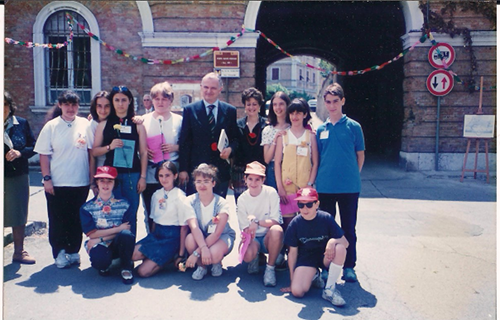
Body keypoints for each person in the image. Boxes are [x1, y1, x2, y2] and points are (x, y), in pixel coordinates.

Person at [34, 90, 90, 268]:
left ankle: (73, 251)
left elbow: (91, 151)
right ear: (60, 105)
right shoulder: (51, 126)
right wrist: (46, 178)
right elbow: (43, 154)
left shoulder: (85, 124)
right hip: (57, 182)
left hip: (80, 181)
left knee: (75, 219)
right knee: (58, 219)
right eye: (66, 104)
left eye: (74, 105)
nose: (70, 108)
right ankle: (59, 252)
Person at [316, 83, 365, 283]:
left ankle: (349, 266)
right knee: (326, 229)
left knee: (348, 228)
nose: (332, 105)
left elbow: (359, 156)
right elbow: (318, 157)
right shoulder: (321, 129)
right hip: (325, 186)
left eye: (336, 101)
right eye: (328, 102)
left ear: (342, 101)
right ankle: (326, 267)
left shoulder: (354, 127)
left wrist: (352, 174)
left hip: (348, 187)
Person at [132, 161, 206, 278]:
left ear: (175, 176)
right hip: (158, 235)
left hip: (172, 238)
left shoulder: (180, 197)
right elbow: (154, 221)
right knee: (132, 255)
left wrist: (181, 254)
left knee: (142, 272)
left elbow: (183, 228)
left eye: (167, 175)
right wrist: (151, 238)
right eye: (161, 175)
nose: (164, 179)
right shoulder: (156, 194)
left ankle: (171, 257)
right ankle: (155, 256)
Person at [92, 85, 148, 238]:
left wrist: (143, 177)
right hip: (111, 177)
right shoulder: (104, 124)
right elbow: (95, 150)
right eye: (116, 100)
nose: (120, 104)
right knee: (112, 214)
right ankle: (112, 254)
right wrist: (109, 147)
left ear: (130, 101)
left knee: (130, 215)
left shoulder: (137, 124)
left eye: (124, 100)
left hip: (133, 175)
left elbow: (143, 152)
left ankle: (127, 254)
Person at [281, 187, 349, 307]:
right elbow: (292, 253)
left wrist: (332, 241)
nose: (305, 209)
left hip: (326, 256)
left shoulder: (326, 218)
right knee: (297, 292)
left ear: (317, 204)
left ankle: (329, 289)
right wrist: (292, 281)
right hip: (306, 260)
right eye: (301, 205)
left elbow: (345, 242)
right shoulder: (295, 223)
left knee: (340, 248)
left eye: (309, 204)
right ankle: (314, 275)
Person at [178, 72, 238, 198]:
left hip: (220, 171)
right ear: (201, 87)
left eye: (213, 88)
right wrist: (183, 169)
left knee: (217, 210)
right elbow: (184, 142)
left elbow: (235, 139)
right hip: (197, 171)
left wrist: (231, 149)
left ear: (220, 89)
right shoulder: (190, 110)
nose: (209, 91)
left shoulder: (230, 111)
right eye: (206, 87)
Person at [80, 166, 135, 284]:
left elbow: (127, 229)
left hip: (116, 242)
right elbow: (91, 234)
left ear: (114, 183)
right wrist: (118, 229)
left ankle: (125, 266)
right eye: (102, 181)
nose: (105, 184)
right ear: (97, 183)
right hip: (100, 244)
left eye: (109, 181)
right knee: (100, 261)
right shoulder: (87, 208)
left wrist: (99, 237)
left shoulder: (125, 204)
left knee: (126, 235)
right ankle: (108, 264)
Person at [141, 81, 182, 232]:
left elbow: (187, 144)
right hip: (151, 171)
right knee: (152, 209)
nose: (160, 102)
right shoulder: (143, 120)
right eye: (156, 99)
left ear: (171, 100)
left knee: (173, 209)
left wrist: (175, 147)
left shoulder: (179, 120)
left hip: (172, 169)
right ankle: (152, 240)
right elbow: (137, 145)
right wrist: (143, 148)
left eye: (164, 99)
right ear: (151, 100)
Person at [184, 163, 236, 280]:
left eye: (206, 181)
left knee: (214, 254)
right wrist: (202, 248)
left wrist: (196, 253)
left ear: (213, 183)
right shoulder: (189, 201)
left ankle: (216, 262)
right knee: (190, 239)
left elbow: (217, 233)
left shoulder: (222, 203)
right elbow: (194, 227)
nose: (202, 185)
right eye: (198, 181)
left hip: (221, 236)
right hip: (201, 237)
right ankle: (201, 266)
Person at [236, 161, 283, 287]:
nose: (253, 183)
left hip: (268, 237)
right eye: (250, 179)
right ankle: (255, 257)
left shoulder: (271, 193)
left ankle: (270, 268)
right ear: (245, 179)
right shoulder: (242, 199)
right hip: (253, 237)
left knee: (277, 230)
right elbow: (245, 227)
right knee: (247, 255)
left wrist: (257, 222)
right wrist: (249, 231)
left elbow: (275, 220)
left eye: (257, 179)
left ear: (263, 180)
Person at [275, 98, 318, 231]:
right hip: (287, 188)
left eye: (298, 113)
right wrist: (280, 187)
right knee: (289, 224)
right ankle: (290, 251)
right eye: (292, 113)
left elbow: (315, 163)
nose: (295, 116)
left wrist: (310, 184)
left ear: (305, 115)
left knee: (306, 222)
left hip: (305, 187)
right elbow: (277, 163)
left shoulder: (310, 136)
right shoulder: (283, 136)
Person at [4, 91, 37, 264]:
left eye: (4, 104)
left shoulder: (21, 124)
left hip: (18, 175)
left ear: (10, 107)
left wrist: (19, 152)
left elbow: (33, 146)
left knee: (19, 213)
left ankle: (19, 252)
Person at [232, 87, 267, 200]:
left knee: (260, 204)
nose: (251, 107)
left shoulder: (266, 125)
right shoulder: (237, 125)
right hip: (240, 171)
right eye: (248, 104)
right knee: (242, 204)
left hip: (260, 171)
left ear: (259, 106)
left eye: (254, 104)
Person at [260, 91, 291, 189]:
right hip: (273, 170)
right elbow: (267, 159)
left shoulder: (293, 127)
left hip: (290, 167)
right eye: (275, 105)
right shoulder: (268, 130)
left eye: (281, 104)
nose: (278, 108)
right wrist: (275, 140)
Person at [87, 91, 111, 196]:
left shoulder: (113, 121)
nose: (103, 110)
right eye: (99, 106)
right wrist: (93, 182)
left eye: (106, 106)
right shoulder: (92, 125)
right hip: (101, 170)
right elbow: (92, 156)